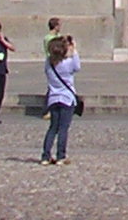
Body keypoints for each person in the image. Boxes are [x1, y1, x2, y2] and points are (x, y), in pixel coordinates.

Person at [41, 33, 80, 164]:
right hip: (66, 99)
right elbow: (77, 66)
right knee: (63, 128)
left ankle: (45, 156)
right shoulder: (68, 64)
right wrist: (73, 48)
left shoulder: (48, 64)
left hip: (53, 98)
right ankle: (60, 156)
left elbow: (51, 59)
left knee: (52, 128)